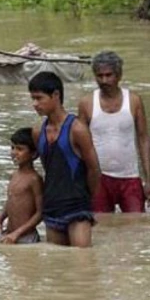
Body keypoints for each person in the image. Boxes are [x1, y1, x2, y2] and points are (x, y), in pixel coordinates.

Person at [77, 51, 150, 213]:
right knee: (101, 227)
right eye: (99, 76)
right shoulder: (86, 103)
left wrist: (148, 181)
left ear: (119, 75)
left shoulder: (134, 101)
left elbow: (143, 139)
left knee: (137, 226)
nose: (104, 80)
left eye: (109, 75)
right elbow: (79, 144)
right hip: (98, 178)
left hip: (130, 176)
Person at [29, 71, 100, 247]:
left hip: (77, 208)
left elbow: (94, 170)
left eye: (39, 98)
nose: (35, 104)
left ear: (56, 95)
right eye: (33, 99)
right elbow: (50, 168)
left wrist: (87, 199)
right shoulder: (38, 132)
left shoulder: (77, 129)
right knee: (58, 267)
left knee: (82, 264)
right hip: (52, 206)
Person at [0, 128, 43, 244]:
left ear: (34, 154)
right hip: (10, 234)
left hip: (26, 237)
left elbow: (41, 213)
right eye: (12, 147)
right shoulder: (14, 175)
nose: (14, 152)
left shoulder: (34, 179)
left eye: (20, 149)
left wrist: (18, 233)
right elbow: (10, 201)